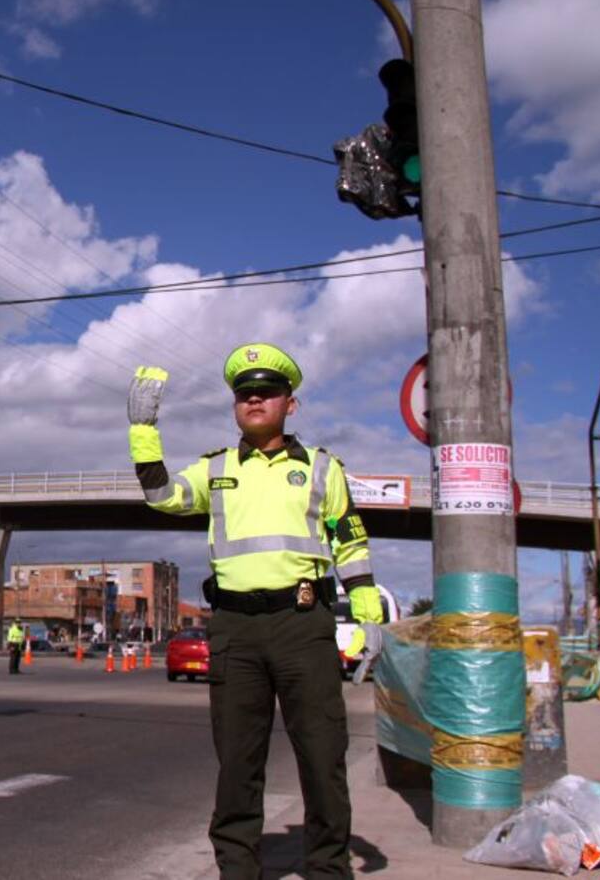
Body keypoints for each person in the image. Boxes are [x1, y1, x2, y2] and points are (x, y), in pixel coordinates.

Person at [127, 344, 383, 879]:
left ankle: (328, 869)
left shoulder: (322, 468)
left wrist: (367, 616)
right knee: (238, 764)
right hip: (235, 630)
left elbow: (350, 543)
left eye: (267, 391)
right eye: (245, 393)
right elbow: (161, 495)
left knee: (322, 756)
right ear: (235, 406)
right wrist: (143, 430)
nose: (255, 399)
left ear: (291, 403)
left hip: (303, 625)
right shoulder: (215, 469)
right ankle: (237, 870)